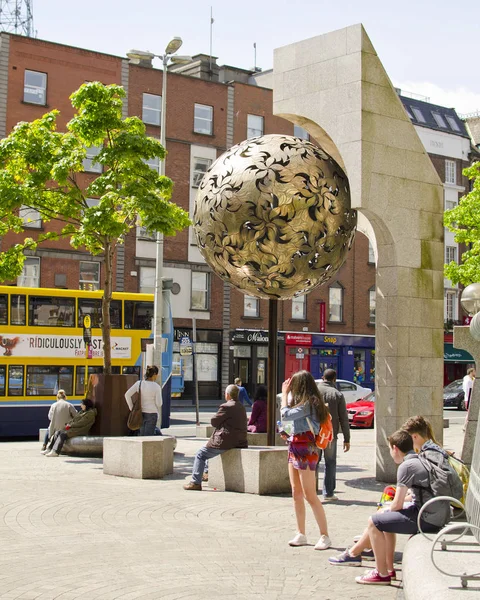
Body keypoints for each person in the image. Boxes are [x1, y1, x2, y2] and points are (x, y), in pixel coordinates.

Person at [329, 427, 449, 586]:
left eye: (390, 449)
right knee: (385, 520)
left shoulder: (406, 467)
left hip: (426, 518)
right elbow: (414, 495)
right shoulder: (419, 459)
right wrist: (388, 509)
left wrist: (385, 509)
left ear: (395, 448)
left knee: (374, 521)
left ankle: (381, 574)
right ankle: (388, 569)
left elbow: (397, 504)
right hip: (435, 514)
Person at [280, 370, 332, 551]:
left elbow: (286, 414)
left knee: (310, 494)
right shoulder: (301, 402)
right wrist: (284, 431)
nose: (290, 388)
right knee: (296, 492)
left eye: (293, 385)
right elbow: (286, 421)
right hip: (294, 445)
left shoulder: (311, 402)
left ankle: (324, 535)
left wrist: (284, 395)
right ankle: (300, 532)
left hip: (307, 448)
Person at [184, 384, 248, 491]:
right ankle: (206, 472)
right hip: (240, 440)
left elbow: (214, 421)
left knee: (201, 453)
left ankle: (195, 482)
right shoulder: (241, 407)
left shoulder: (227, 406)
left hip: (227, 441)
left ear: (227, 395)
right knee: (209, 450)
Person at [317, 369, 350, 501]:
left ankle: (311, 491)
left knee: (314, 462)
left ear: (322, 377)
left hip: (314, 434)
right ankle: (328, 493)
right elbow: (344, 419)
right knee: (330, 462)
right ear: (334, 379)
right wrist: (347, 439)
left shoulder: (314, 392)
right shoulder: (337, 394)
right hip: (330, 434)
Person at [125, 365, 162, 436]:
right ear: (154, 375)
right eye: (157, 375)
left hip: (140, 413)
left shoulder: (139, 383)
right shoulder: (157, 387)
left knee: (141, 435)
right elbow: (159, 404)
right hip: (152, 414)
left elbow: (127, 394)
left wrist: (132, 408)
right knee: (149, 436)